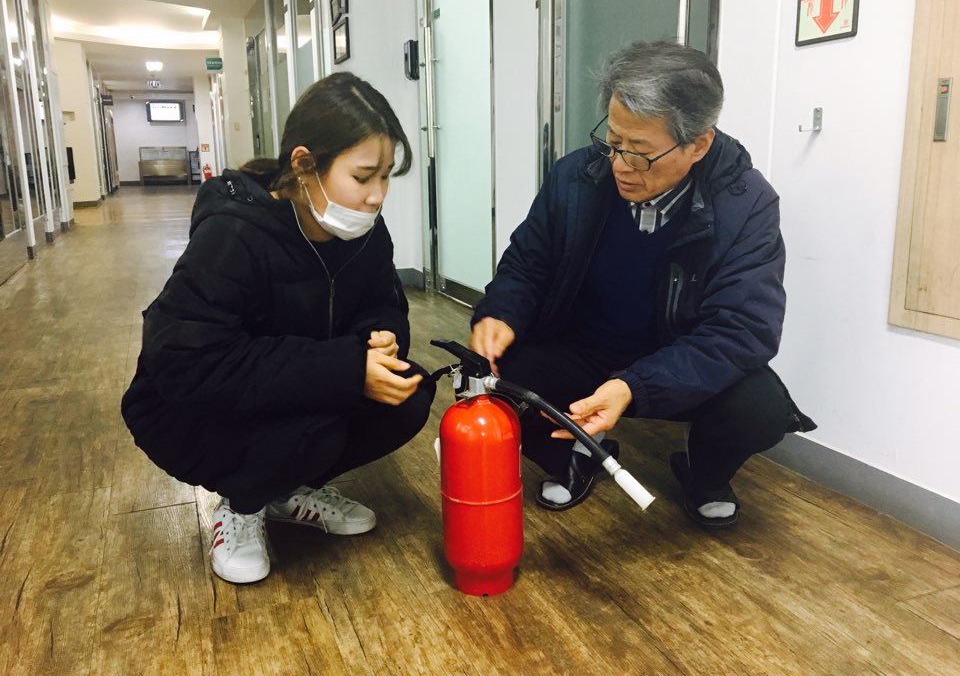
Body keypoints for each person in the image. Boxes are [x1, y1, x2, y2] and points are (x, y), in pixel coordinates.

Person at [470, 40, 815, 527]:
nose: (620, 165)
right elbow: (528, 262)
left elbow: (742, 330)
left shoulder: (746, 204)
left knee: (759, 411)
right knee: (502, 379)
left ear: (699, 145)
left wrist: (634, 385)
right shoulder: (576, 177)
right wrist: (500, 312)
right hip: (584, 349)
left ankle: (704, 471)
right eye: (613, 142)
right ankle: (577, 455)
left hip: (680, 358)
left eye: (641, 153)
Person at [121, 72, 436, 583]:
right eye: (363, 177)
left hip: (293, 387)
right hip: (188, 411)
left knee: (410, 394)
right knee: (313, 431)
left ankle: (287, 491)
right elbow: (188, 363)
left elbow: (382, 303)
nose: (377, 196)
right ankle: (242, 505)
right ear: (305, 164)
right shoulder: (233, 233)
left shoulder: (364, 232)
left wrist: (380, 335)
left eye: (385, 177)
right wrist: (346, 369)